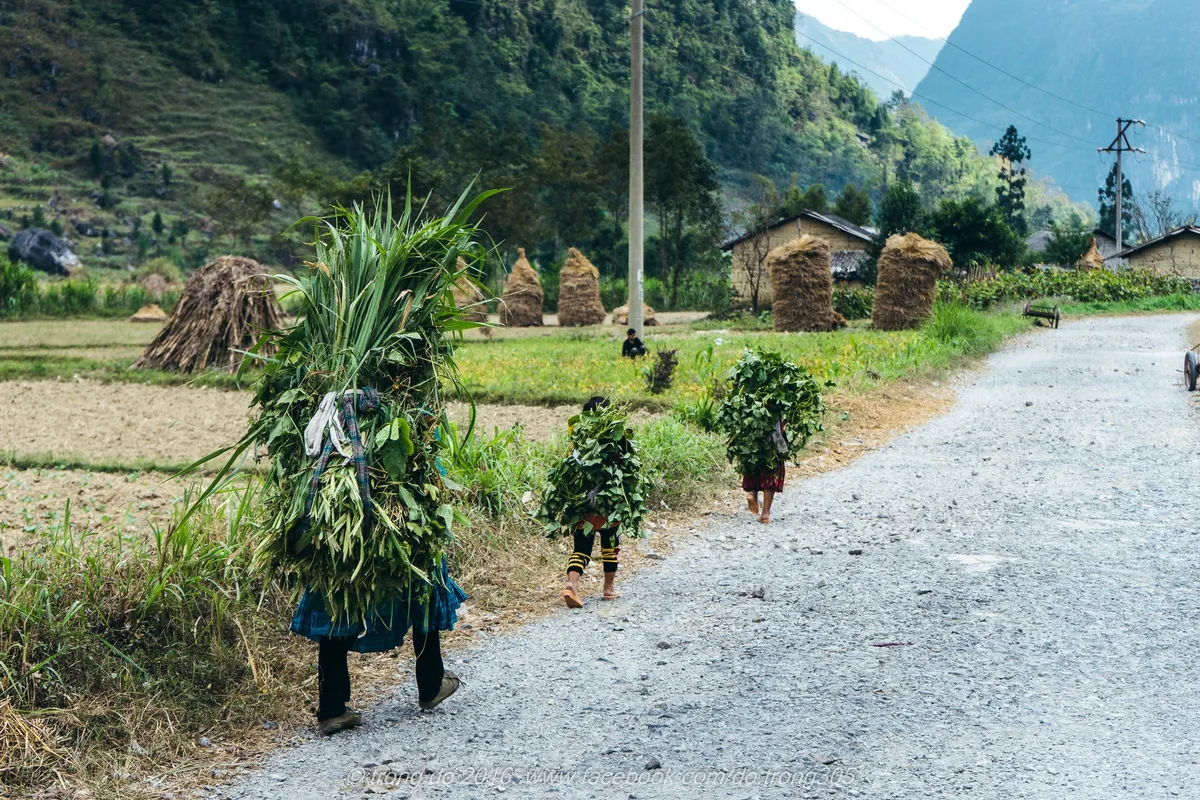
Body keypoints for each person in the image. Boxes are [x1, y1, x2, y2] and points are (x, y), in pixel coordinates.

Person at [561, 396, 625, 608]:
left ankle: (571, 584)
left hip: (583, 506)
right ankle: (608, 589)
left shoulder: (577, 444)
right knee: (610, 547)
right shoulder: (616, 444)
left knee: (581, 549)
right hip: (608, 507)